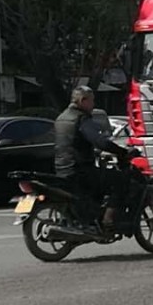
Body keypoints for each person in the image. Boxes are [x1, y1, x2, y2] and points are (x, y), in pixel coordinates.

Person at [54, 85, 132, 232]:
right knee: (120, 180)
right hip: (80, 171)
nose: (93, 105)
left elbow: (72, 143)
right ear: (83, 101)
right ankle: (108, 219)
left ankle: (94, 216)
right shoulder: (81, 118)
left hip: (62, 169)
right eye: (92, 101)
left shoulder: (61, 117)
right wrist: (122, 152)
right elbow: (99, 141)